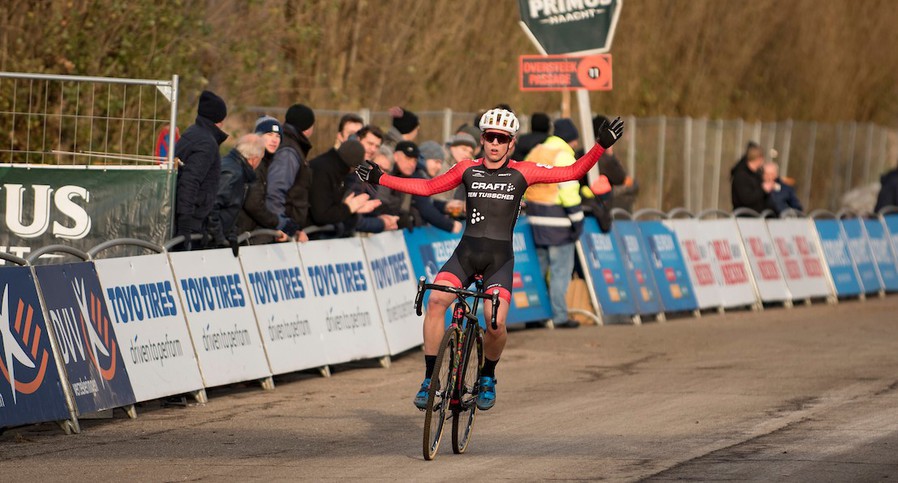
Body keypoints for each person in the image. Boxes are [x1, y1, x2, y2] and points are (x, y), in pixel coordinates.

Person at [357, 108, 624, 411]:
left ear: (511, 143)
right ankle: (431, 379)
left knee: (494, 322)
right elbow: (428, 187)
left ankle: (487, 375)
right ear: (482, 139)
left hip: (499, 260)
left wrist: (599, 146)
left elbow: (573, 173)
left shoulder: (524, 171)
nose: (495, 143)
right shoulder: (466, 169)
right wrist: (382, 177)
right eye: (489, 137)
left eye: (502, 138)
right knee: (435, 302)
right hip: (466, 254)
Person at [523, 118, 586, 329]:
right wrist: (577, 219)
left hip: (534, 217)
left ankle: (534, 315)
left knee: (539, 269)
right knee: (560, 271)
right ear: (571, 139)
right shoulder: (564, 155)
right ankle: (559, 316)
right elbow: (568, 190)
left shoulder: (537, 151)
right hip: (557, 220)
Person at [206, 134, 287, 253]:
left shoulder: (234, 167)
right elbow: (212, 205)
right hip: (212, 241)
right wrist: (219, 237)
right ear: (255, 159)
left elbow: (230, 209)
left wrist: (231, 235)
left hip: (221, 236)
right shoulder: (233, 173)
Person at [174, 90, 229, 250]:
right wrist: (185, 224)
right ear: (220, 119)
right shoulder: (207, 143)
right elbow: (190, 181)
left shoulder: (192, 132)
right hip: (190, 222)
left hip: (187, 218)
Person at [377, 141, 462, 233]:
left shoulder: (412, 176)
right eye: (408, 158)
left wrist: (445, 206)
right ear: (396, 156)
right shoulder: (406, 177)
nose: (411, 164)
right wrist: (450, 226)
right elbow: (425, 208)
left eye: (414, 160)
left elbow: (427, 203)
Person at [309, 139, 381, 237]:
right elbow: (321, 214)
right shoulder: (325, 171)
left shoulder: (332, 168)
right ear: (352, 166)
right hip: (310, 234)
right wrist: (349, 208)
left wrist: (352, 209)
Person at [267, 103, 316, 242]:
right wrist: (284, 226)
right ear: (307, 128)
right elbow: (275, 192)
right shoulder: (288, 152)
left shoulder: (291, 145)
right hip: (281, 234)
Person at [731, 144, 768, 213]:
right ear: (759, 158)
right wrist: (763, 189)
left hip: (756, 217)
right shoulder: (741, 175)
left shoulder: (757, 174)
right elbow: (746, 199)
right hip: (744, 217)